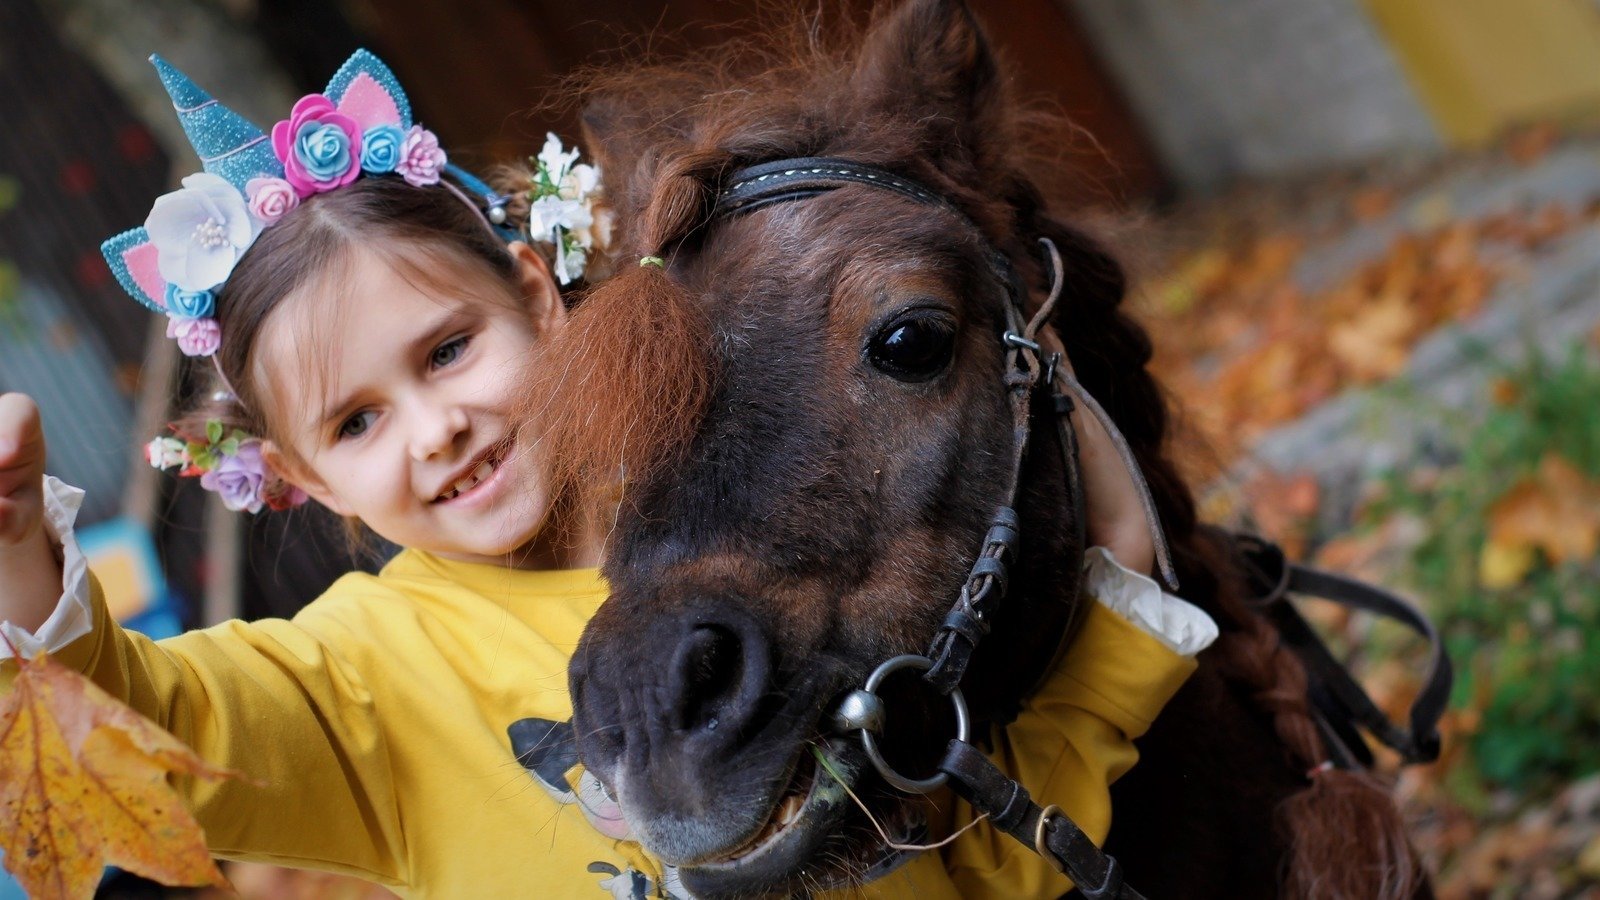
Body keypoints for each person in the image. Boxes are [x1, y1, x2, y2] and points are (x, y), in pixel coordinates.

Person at [0, 50, 1216, 899]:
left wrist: (1112, 646)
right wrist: (14, 551)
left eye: (448, 351)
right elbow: (138, 721)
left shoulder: (754, 525)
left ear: (538, 298)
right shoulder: (358, 683)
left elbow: (974, 870)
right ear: (303, 478)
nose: (435, 429)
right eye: (358, 422)